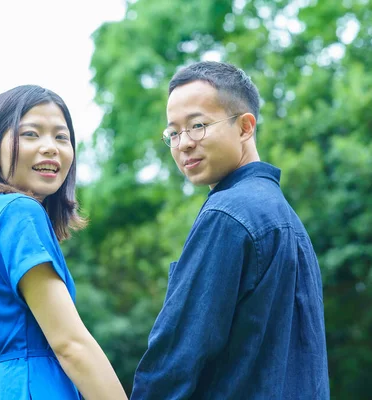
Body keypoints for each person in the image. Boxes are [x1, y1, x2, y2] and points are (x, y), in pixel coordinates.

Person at [131, 61, 329, 399]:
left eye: (197, 125)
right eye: (173, 133)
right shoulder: (284, 218)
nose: (183, 144)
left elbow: (176, 358)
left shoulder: (229, 214)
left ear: (245, 127)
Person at [0, 85, 127, 400]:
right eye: (31, 134)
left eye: (62, 137)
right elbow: (70, 344)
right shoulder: (20, 211)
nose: (51, 147)